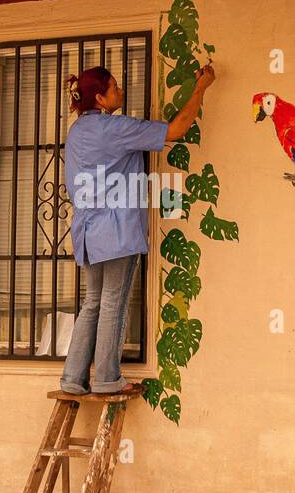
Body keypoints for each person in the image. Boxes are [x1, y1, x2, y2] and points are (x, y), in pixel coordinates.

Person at [59, 61, 216, 395]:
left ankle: (72, 379)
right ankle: (105, 379)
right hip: (115, 234)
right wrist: (201, 88)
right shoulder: (114, 129)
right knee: (113, 303)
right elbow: (175, 130)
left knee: (93, 303)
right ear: (100, 99)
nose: (121, 91)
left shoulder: (77, 132)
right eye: (115, 88)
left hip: (87, 233)